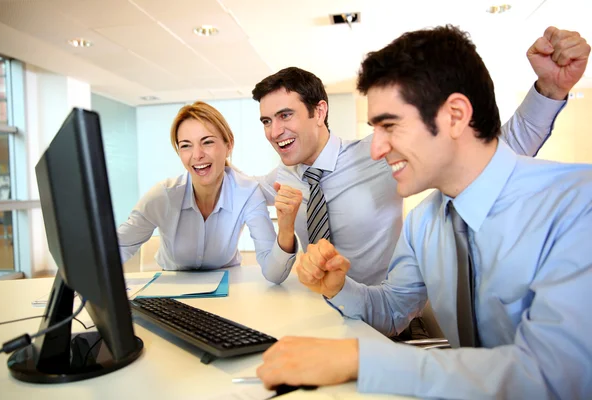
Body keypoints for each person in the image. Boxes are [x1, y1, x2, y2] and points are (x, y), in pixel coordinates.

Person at [256, 25, 592, 399]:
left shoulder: (580, 206)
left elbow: (558, 376)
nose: (376, 149)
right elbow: (393, 307)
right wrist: (339, 287)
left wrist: (360, 360)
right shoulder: (423, 224)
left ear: (454, 116)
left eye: (390, 126)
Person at [251, 26, 588, 287]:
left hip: (385, 316)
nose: (274, 131)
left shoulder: (382, 151)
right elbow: (233, 189)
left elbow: (497, 149)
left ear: (319, 111)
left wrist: (549, 90)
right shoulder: (278, 181)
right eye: (266, 121)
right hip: (315, 310)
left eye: (285, 116)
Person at [117, 102, 298, 281]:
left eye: (207, 142)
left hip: (230, 290)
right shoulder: (163, 196)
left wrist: (286, 229)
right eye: (186, 145)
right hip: (171, 292)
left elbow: (274, 273)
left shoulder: (247, 192)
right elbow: (118, 247)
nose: (197, 155)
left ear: (229, 145)